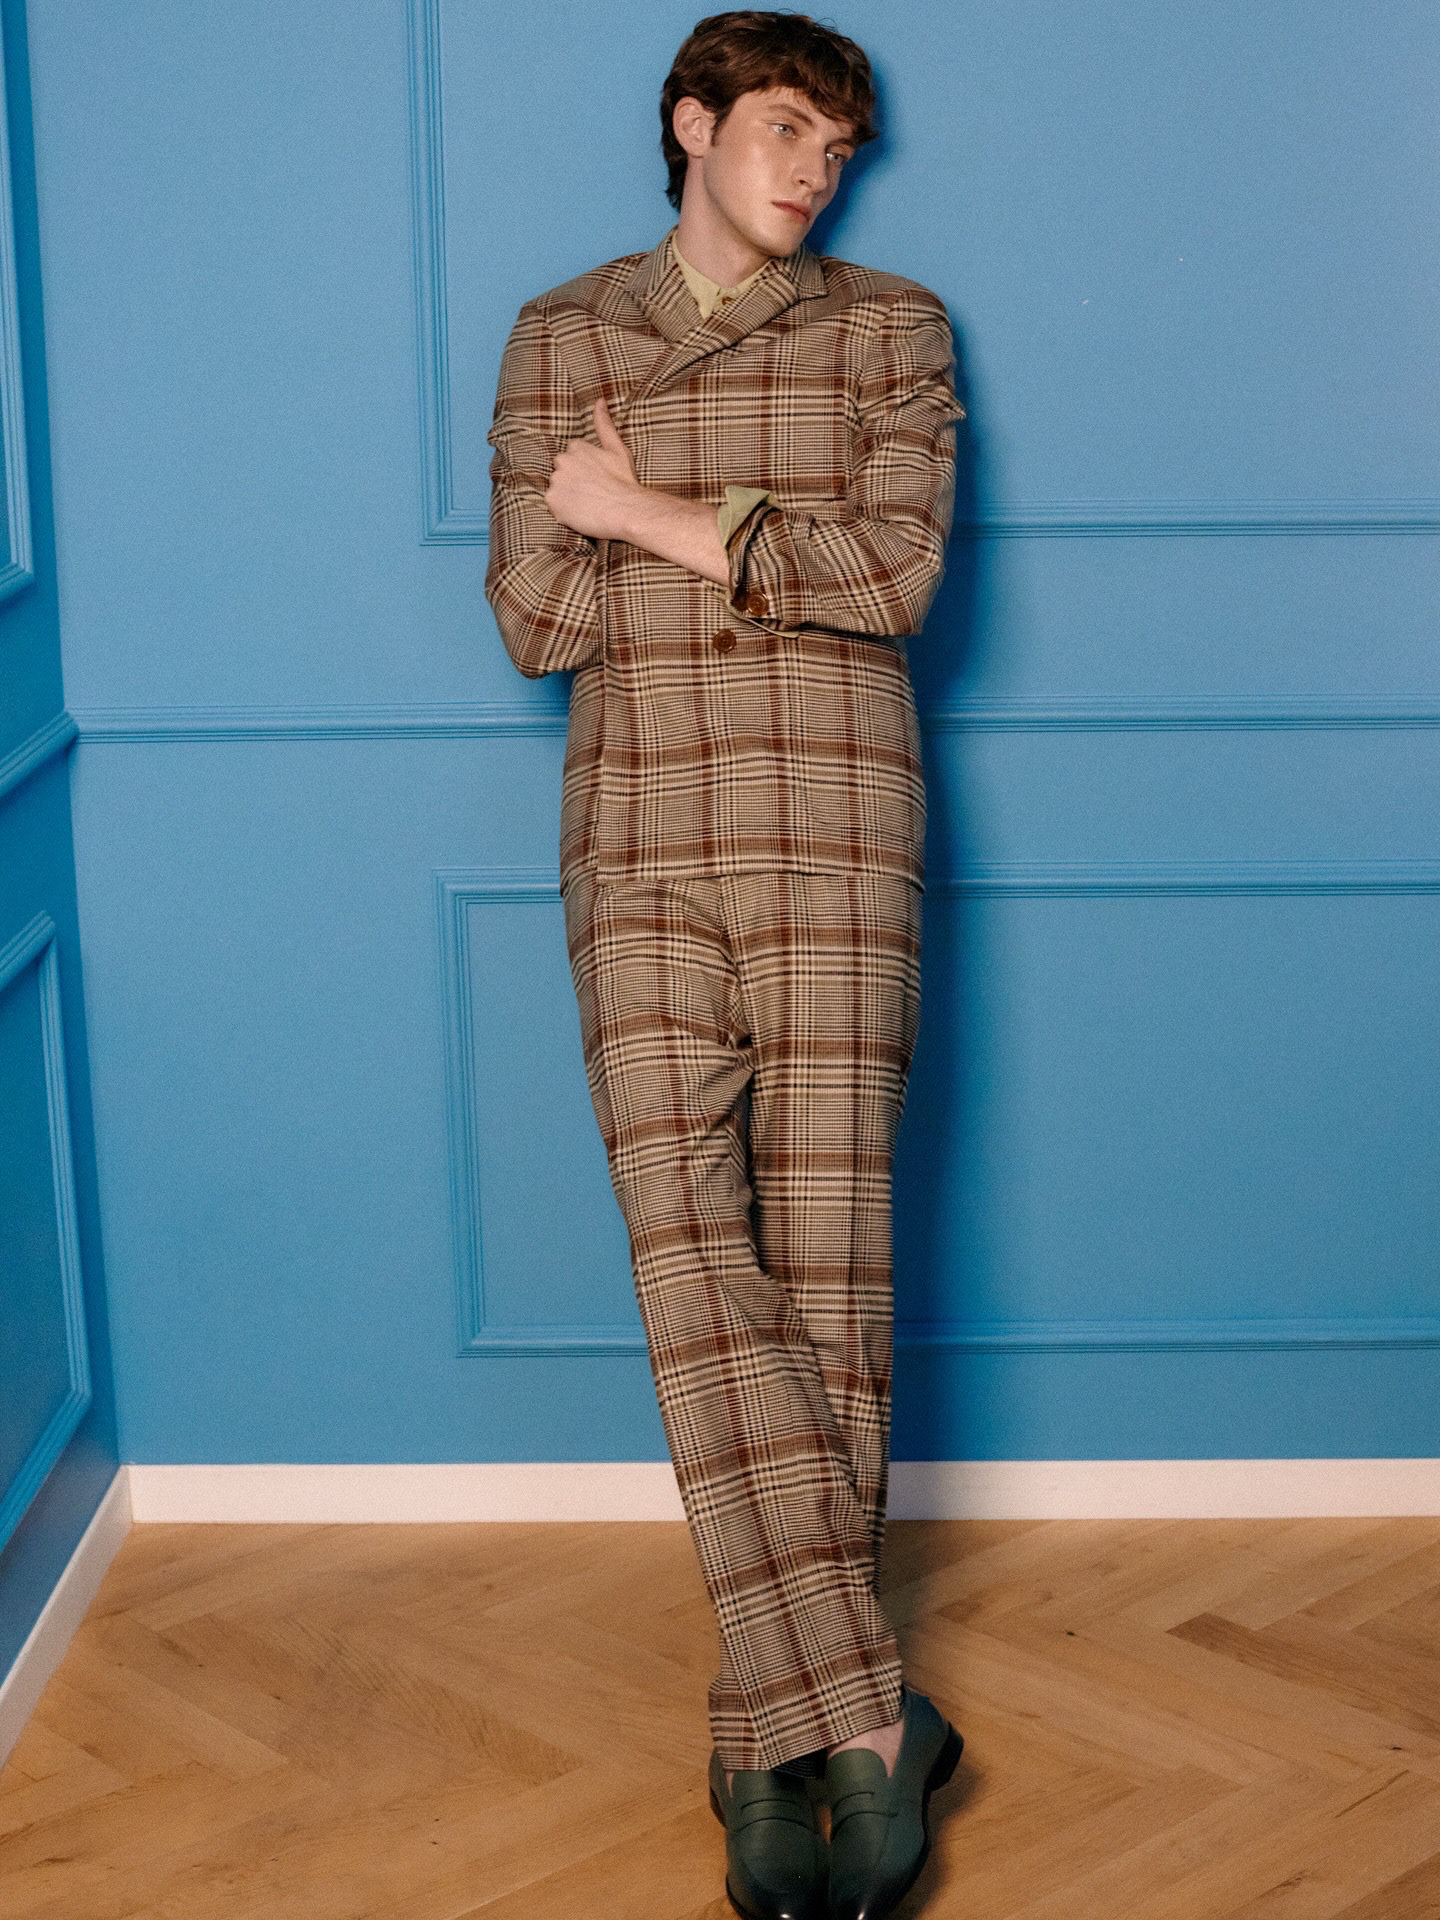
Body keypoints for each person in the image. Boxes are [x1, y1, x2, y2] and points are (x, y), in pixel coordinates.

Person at [485, 13, 966, 1918]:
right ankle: (861, 1719)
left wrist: (637, 515)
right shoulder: (562, 332)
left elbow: (896, 579)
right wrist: (754, 545)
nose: (814, 172)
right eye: (784, 130)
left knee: (827, 1281)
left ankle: (766, 1731)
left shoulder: (894, 329)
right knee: (691, 1263)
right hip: (641, 843)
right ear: (692, 126)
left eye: (839, 149)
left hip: (843, 839)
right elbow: (532, 619)